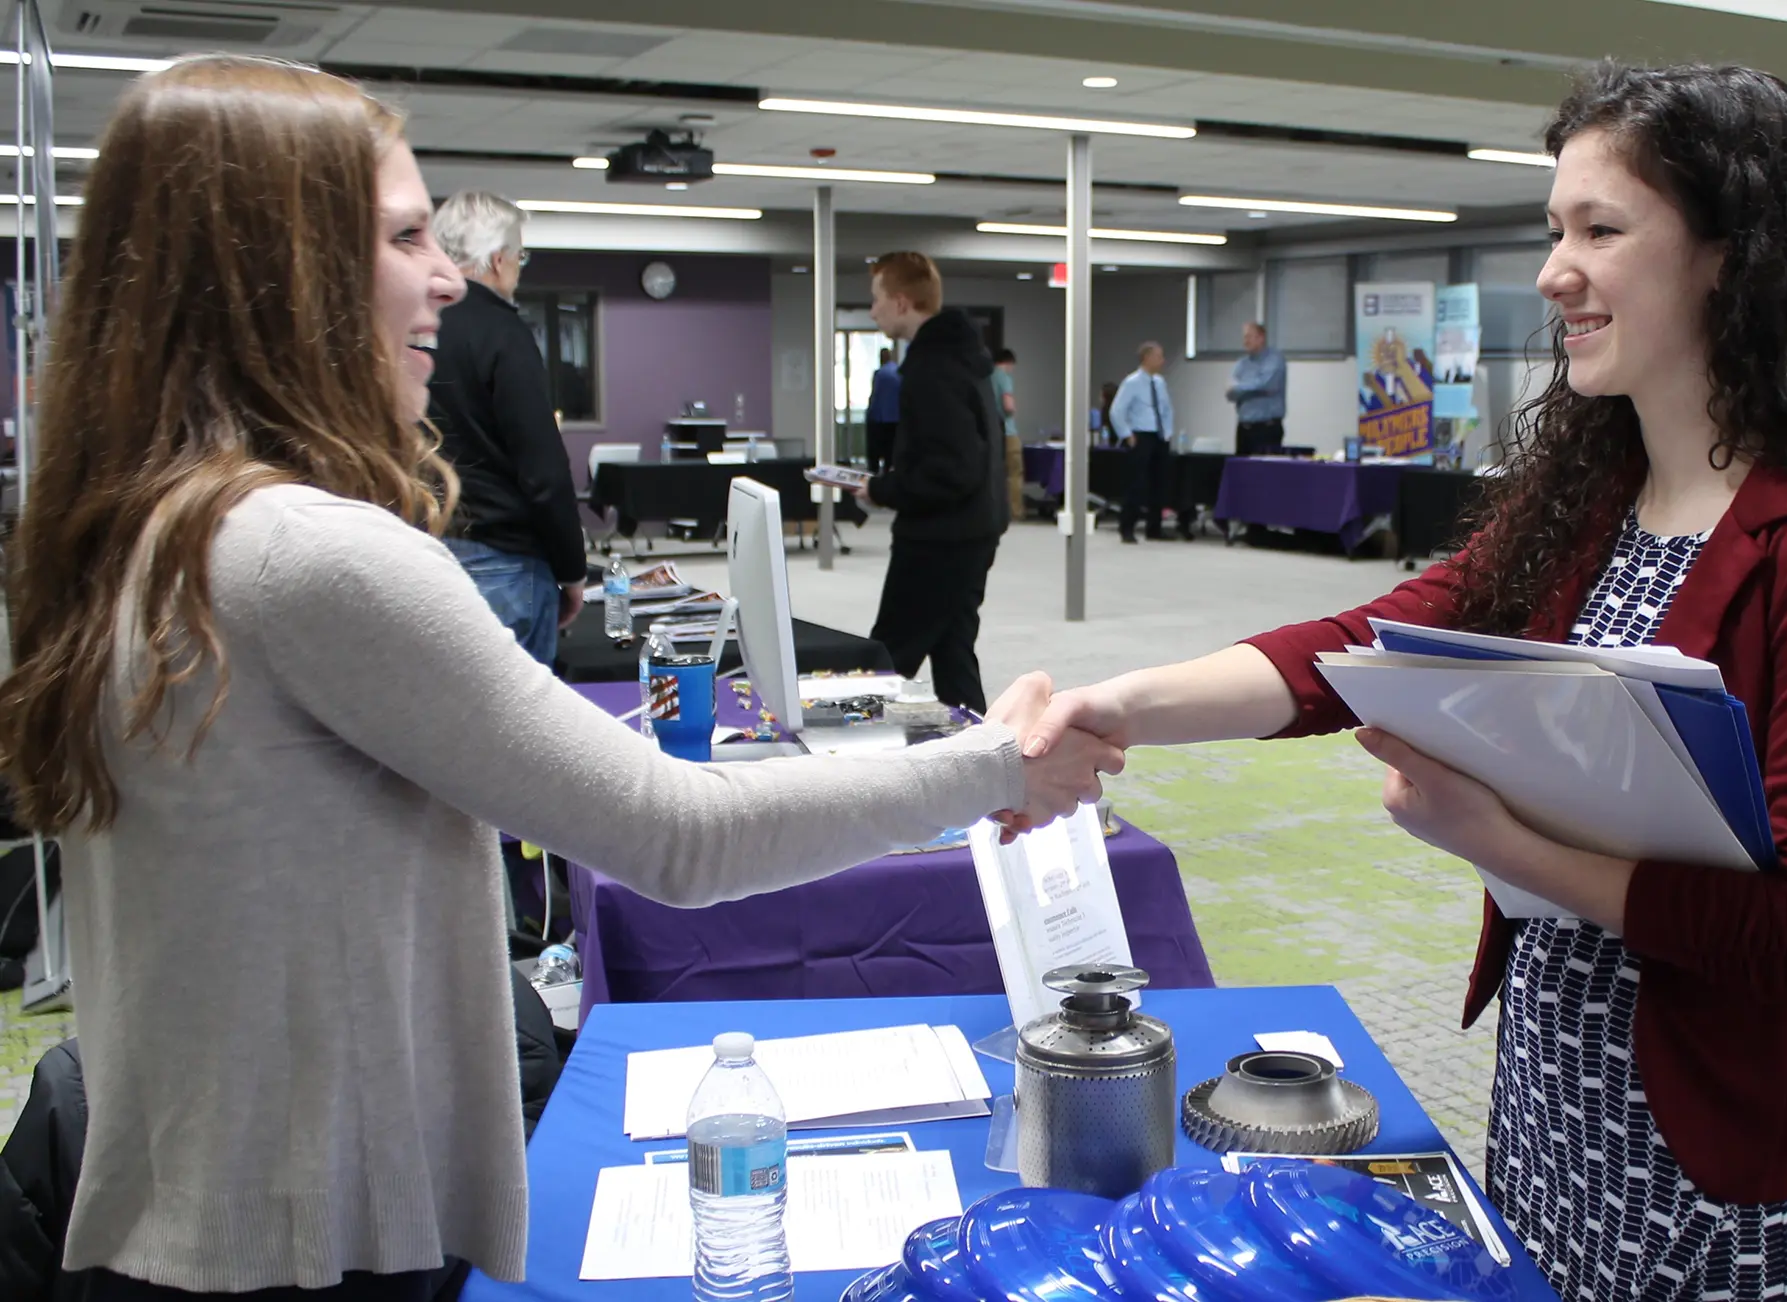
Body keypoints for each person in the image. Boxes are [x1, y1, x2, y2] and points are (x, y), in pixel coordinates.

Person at [0, 57, 1116, 1299]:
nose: (445, 276)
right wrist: (988, 767)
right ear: (282, 266)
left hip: (201, 1210)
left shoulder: (143, 528)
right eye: (406, 235)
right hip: (314, 1246)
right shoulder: (309, 552)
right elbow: (673, 834)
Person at [1018, 63, 1787, 1302]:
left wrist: (1495, 840)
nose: (1552, 272)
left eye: (1600, 230)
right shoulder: (1589, 508)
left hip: (1702, 1162)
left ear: (1728, 257)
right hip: (1550, 1100)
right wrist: (1120, 707)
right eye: (1552, 231)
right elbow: (1359, 641)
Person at [425, 189, 585, 667]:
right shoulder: (503, 333)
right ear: (497, 260)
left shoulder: (413, 326)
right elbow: (542, 470)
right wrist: (571, 571)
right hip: (505, 563)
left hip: (424, 554)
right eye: (520, 256)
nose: (518, 267)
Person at [858, 251, 1009, 712]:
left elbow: (952, 468)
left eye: (877, 299)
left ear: (902, 303)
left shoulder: (932, 369)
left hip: (939, 539)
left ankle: (846, 762)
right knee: (952, 651)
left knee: (887, 656)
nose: (873, 310)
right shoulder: (965, 358)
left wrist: (880, 490)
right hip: (973, 531)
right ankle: (984, 757)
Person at [1108, 343, 1185, 543]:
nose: (1163, 360)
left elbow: (1167, 409)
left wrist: (1167, 432)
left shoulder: (1159, 382)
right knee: (1137, 483)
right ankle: (1127, 528)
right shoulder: (1132, 382)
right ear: (1147, 358)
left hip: (1159, 437)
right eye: (1159, 356)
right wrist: (1126, 434)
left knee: (1160, 483)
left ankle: (1155, 528)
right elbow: (1116, 410)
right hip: (1140, 436)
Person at [1227, 321, 1287, 456]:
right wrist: (1245, 388)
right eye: (1244, 337)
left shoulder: (1274, 359)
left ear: (1261, 338)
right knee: (1241, 474)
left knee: (1264, 474)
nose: (1245, 341)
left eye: (1248, 337)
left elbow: (1267, 385)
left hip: (1266, 428)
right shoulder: (1241, 364)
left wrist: (1240, 387)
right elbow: (1230, 394)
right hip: (1243, 428)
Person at [991, 348, 1024, 521]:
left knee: (996, 473)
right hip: (1008, 431)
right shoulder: (1004, 377)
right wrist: (1013, 409)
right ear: (1009, 363)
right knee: (1014, 473)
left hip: (992, 432)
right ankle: (1015, 512)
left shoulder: (988, 376)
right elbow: (1008, 404)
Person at [865, 345, 900, 474]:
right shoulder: (899, 372)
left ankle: (873, 474)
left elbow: (876, 396)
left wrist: (870, 414)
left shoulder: (880, 374)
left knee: (875, 451)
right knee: (890, 453)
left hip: (881, 419)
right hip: (896, 419)